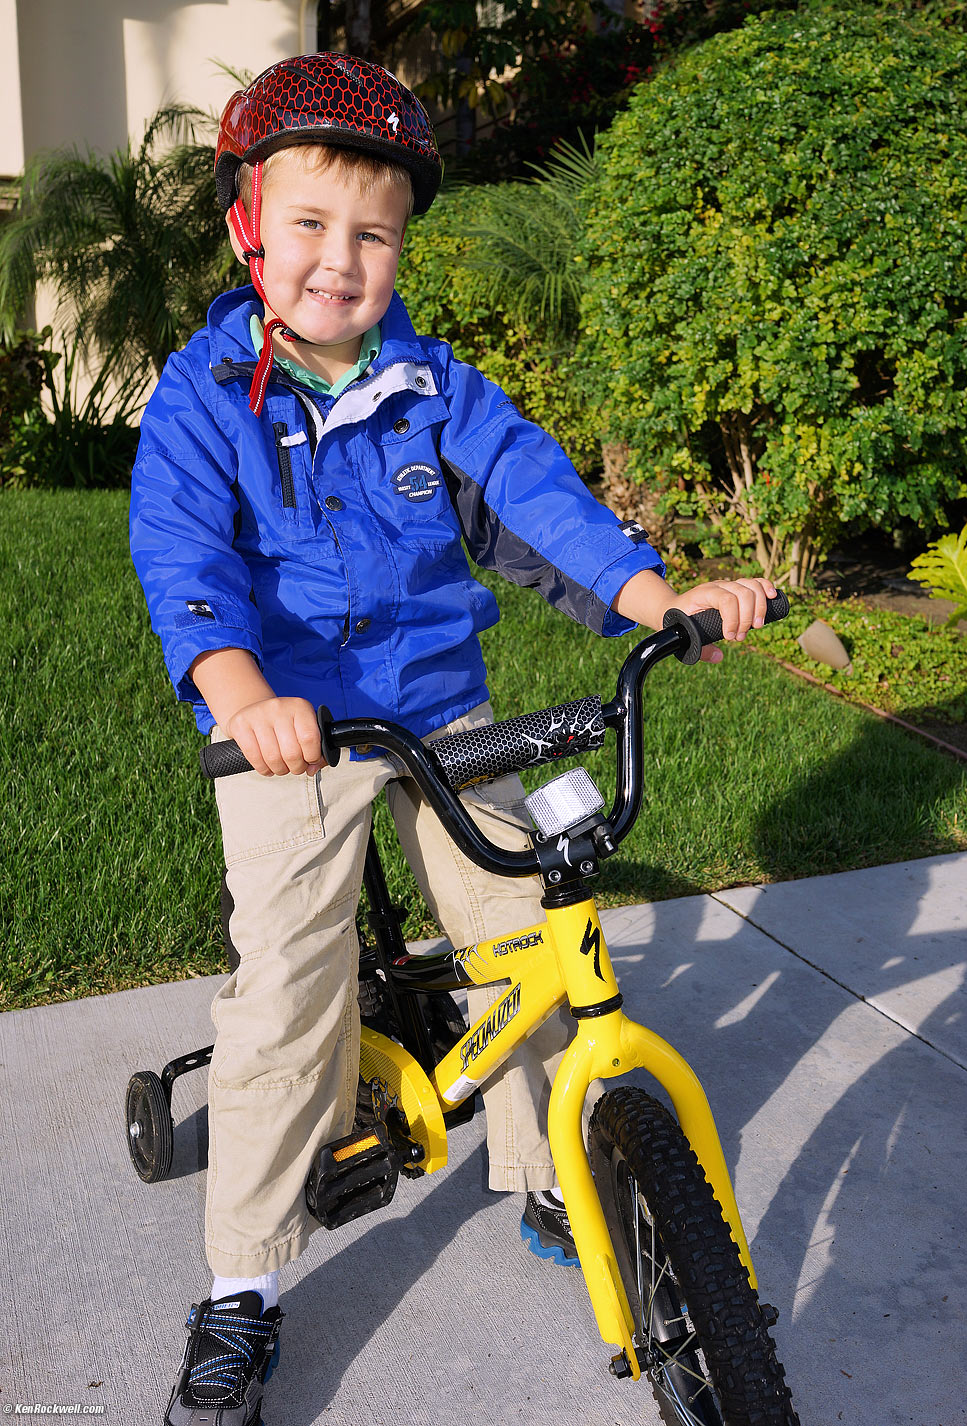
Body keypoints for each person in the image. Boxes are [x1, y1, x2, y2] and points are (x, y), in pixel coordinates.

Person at [129, 52, 777, 1426]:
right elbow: (183, 556)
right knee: (289, 996)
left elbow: (541, 501)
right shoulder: (202, 398)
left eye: (372, 234)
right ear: (250, 226)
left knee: (533, 917)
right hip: (292, 731)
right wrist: (242, 689)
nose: (338, 260)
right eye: (309, 224)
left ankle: (555, 1172)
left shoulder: (433, 386)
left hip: (441, 704)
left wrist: (660, 597)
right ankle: (240, 1287)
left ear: (401, 249)